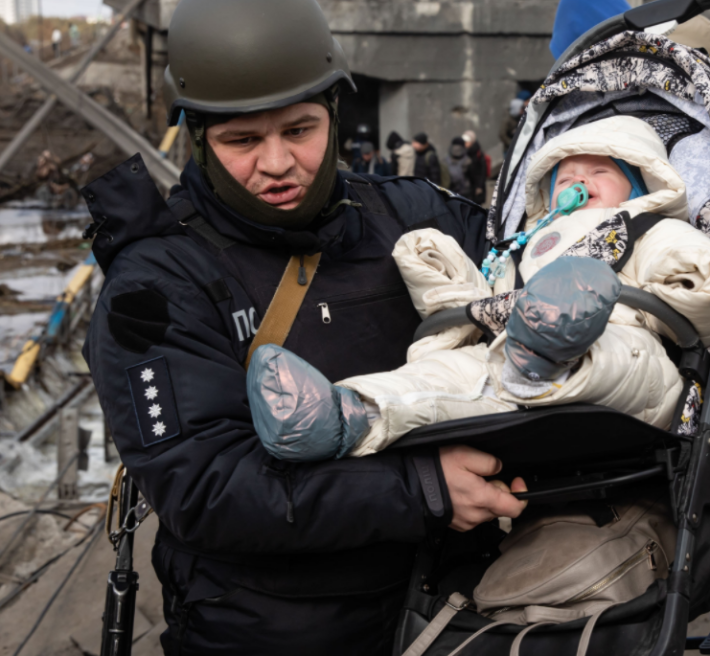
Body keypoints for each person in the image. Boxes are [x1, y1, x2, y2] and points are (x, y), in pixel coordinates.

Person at [80, 0, 526, 652]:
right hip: (271, 627)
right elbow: (205, 488)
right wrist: (418, 488)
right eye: (242, 140)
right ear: (197, 138)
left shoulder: (414, 216)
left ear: (334, 117)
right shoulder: (155, 286)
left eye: (300, 130)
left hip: (459, 607)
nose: (278, 162)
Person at [247, 115, 710, 460]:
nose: (579, 180)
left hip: (619, 351)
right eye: (566, 174)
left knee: (617, 350)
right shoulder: (529, 243)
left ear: (637, 188)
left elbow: (707, 291)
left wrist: (694, 270)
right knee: (444, 375)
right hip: (506, 351)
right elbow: (489, 297)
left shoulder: (645, 229)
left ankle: (546, 351)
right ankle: (342, 414)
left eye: (599, 172)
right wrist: (445, 280)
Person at [461, 130, 489, 204]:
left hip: (477, 186)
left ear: (472, 141)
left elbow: (483, 171)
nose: (465, 143)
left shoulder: (478, 154)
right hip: (468, 187)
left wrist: (479, 187)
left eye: (467, 141)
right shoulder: (463, 152)